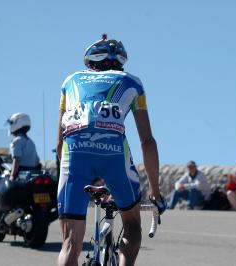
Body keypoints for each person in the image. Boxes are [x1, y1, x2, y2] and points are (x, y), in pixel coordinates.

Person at [56, 35, 167, 266]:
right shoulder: (132, 82)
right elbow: (148, 142)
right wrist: (155, 192)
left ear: (90, 63)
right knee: (132, 223)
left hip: (74, 155)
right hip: (113, 154)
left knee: (70, 244)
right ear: (120, 63)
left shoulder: (70, 81)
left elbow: (59, 144)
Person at [6, 113, 41, 181]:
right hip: (32, 173)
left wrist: (12, 176)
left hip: (21, 174)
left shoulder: (17, 141)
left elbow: (17, 159)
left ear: (17, 123)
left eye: (11, 123)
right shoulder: (30, 141)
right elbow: (37, 161)